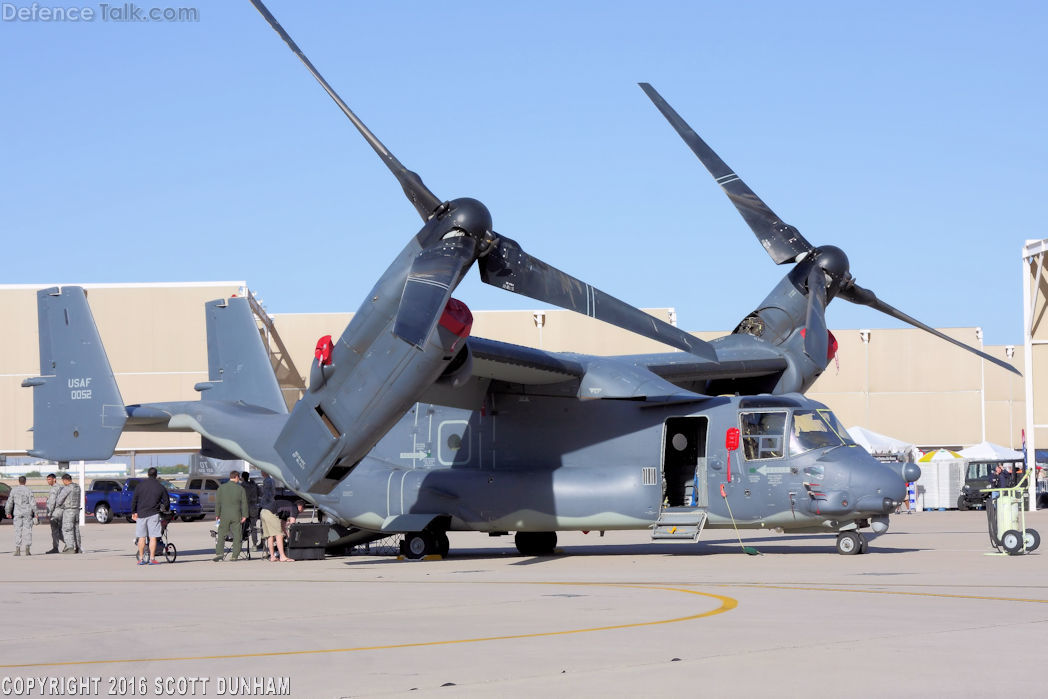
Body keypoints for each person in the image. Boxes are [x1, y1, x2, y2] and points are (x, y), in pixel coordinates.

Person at [131, 467, 170, 565]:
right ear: (156, 475)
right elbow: (166, 501)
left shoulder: (140, 486)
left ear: (148, 474)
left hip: (141, 514)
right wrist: (165, 508)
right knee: (153, 537)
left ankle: (141, 559)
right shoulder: (160, 486)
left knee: (141, 537)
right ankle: (152, 559)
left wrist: (133, 512)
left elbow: (134, 499)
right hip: (154, 514)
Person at [213, 471, 248, 561]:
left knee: (221, 534)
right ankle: (234, 555)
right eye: (238, 478)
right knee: (237, 535)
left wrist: (217, 514)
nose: (238, 480)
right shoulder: (240, 489)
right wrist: (245, 515)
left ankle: (219, 553)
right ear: (236, 477)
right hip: (236, 515)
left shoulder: (221, 488)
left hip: (224, 515)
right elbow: (244, 503)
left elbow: (218, 503)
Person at [259, 472, 293, 562]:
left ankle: (272, 556)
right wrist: (288, 534)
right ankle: (282, 556)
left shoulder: (267, 480)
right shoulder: (270, 480)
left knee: (270, 535)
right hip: (270, 511)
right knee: (279, 534)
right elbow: (290, 522)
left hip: (263, 511)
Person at [5, 476, 36, 556]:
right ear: (25, 482)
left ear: (19, 481)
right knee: (28, 530)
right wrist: (36, 513)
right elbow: (33, 503)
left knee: (17, 530)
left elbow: (9, 502)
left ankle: (17, 549)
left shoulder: (14, 490)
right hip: (27, 513)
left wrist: (8, 512)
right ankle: (27, 549)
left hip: (17, 513)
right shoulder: (28, 490)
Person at [55, 473, 81, 554]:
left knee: (67, 529)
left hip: (69, 511)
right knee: (76, 529)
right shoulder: (77, 487)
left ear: (65, 480)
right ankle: (78, 547)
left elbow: (59, 500)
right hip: (76, 510)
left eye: (63, 480)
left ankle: (70, 548)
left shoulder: (67, 488)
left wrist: (58, 505)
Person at [240, 470, 261, 551]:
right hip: (253, 507)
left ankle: (239, 543)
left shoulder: (241, 486)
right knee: (253, 526)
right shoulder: (254, 485)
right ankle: (254, 544)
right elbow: (260, 493)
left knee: (242, 526)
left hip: (244, 508)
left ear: (242, 478)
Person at [44, 473, 65, 554]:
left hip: (55, 512)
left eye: (49, 479)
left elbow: (52, 502)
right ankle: (70, 544)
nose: (48, 481)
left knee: (55, 531)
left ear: (54, 479)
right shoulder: (60, 487)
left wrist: (49, 513)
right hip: (61, 511)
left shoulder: (54, 489)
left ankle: (56, 547)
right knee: (60, 531)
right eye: (47, 479)